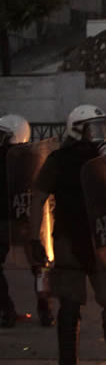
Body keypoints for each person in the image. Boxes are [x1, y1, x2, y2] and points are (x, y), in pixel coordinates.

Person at [28, 105, 106, 365]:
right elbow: (37, 197)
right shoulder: (61, 160)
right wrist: (33, 238)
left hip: (92, 238)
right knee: (78, 303)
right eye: (94, 128)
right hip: (79, 238)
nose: (100, 133)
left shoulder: (95, 159)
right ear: (78, 130)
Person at [0, 113, 54, 328]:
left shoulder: (24, 158)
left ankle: (8, 310)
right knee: (40, 266)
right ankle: (44, 309)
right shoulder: (33, 157)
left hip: (10, 218)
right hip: (23, 218)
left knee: (40, 266)